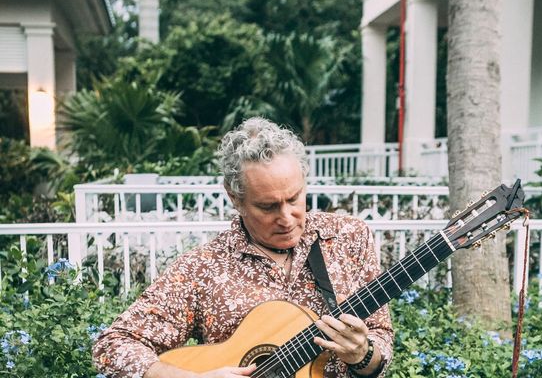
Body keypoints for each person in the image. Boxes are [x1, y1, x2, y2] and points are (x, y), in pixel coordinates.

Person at [93, 117, 393, 378]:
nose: (286, 218)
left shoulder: (349, 238)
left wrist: (363, 355)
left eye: (294, 198)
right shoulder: (204, 267)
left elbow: (380, 338)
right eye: (267, 206)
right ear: (234, 198)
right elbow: (113, 345)